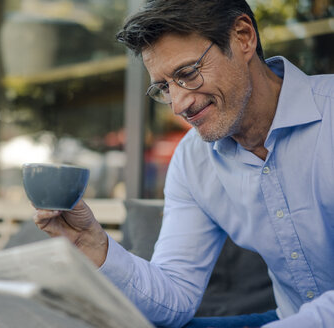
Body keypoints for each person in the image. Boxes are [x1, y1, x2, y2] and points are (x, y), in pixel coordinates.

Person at [33, 0, 334, 327]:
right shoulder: (194, 160)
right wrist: (93, 245)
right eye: (164, 87)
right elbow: (175, 297)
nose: (178, 105)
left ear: (243, 37)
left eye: (187, 73)